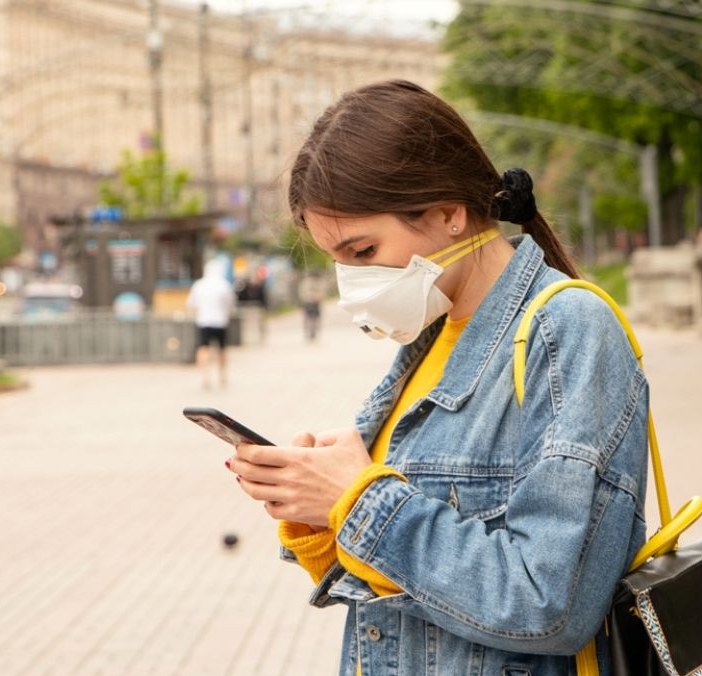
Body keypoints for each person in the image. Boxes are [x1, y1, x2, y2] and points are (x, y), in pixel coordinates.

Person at [224, 81, 649, 675]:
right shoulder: (432, 333)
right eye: (337, 260)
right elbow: (417, 597)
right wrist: (321, 515)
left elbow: (549, 603)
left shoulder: (569, 328)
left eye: (363, 251)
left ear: (450, 214)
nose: (351, 281)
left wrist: (360, 499)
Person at [186, 259, 237, 389]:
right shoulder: (224, 285)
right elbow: (231, 303)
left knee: (203, 348)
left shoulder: (199, 285)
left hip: (204, 320)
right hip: (221, 321)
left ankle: (205, 376)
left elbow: (191, 304)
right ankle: (222, 375)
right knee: (222, 349)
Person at [297, 269, 326, 342]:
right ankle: (308, 331)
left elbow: (323, 292)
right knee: (307, 318)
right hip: (308, 302)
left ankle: (314, 331)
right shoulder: (306, 282)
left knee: (316, 318)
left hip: (316, 303)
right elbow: (302, 292)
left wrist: (318, 297)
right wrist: (308, 297)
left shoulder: (320, 282)